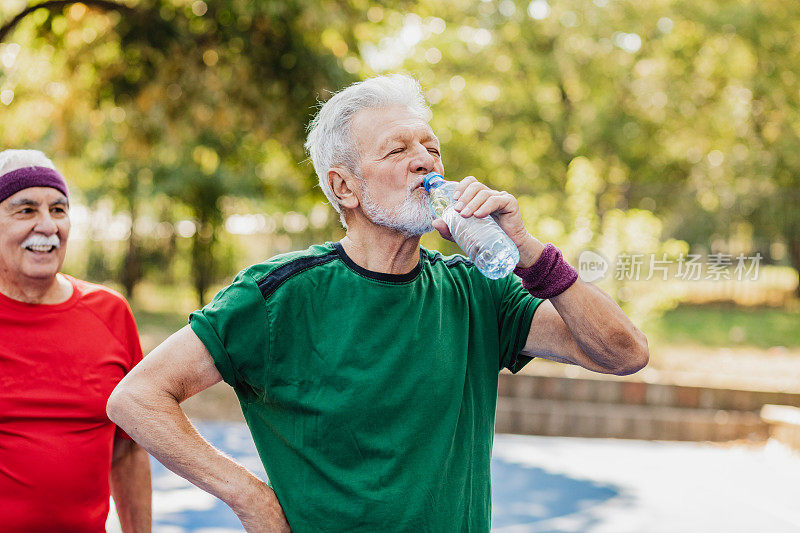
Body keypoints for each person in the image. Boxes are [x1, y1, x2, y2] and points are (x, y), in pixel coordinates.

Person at [107, 75, 648, 532]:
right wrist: (250, 497)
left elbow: (624, 354)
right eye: (398, 150)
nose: (425, 162)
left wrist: (528, 251)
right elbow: (136, 396)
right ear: (345, 188)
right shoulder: (280, 294)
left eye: (431, 148)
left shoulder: (479, 290)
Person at [0, 150, 152, 532]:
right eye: (26, 210)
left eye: (58, 209)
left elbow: (128, 448)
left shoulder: (110, 313)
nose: (47, 225)